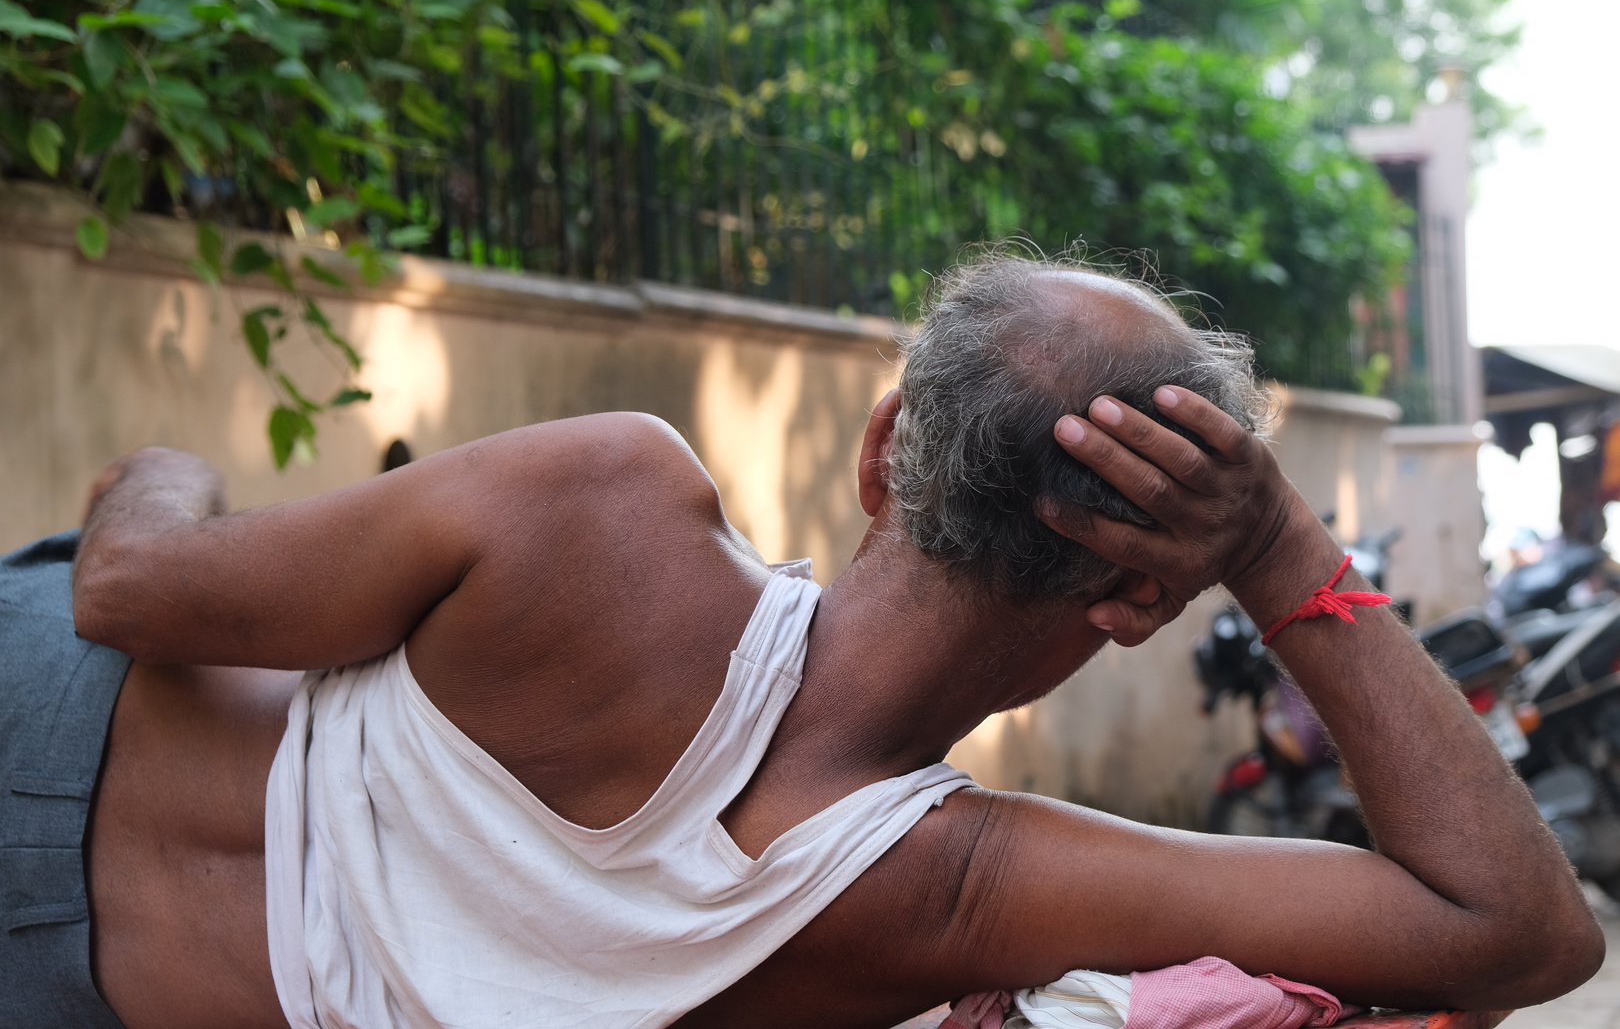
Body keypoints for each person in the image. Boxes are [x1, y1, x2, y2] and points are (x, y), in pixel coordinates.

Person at [0, 252, 1601, 1029]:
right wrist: (1278, 549)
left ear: (880, 447)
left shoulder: (601, 505)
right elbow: (1522, 936)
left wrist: (159, 478)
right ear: (1132, 607)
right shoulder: (954, 896)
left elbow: (129, 591)